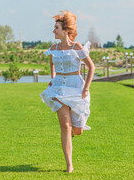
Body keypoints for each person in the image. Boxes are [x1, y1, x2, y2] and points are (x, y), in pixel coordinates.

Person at [39, 11, 95, 173]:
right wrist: (52, 78)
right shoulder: (53, 48)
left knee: (77, 130)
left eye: (56, 28)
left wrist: (86, 88)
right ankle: (69, 165)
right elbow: (52, 63)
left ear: (65, 30)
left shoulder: (76, 47)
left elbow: (91, 67)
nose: (53, 31)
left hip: (76, 89)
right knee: (65, 126)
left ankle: (75, 130)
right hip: (58, 89)